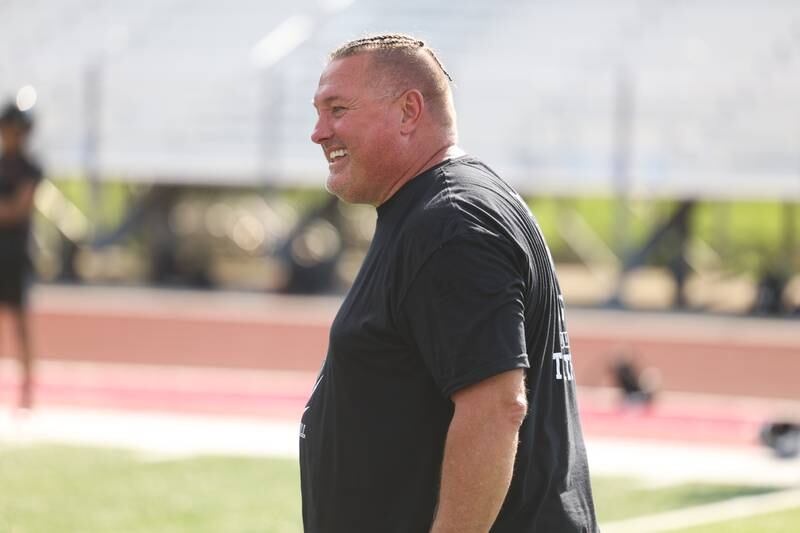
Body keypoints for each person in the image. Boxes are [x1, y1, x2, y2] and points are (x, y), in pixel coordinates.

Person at [301, 34, 598, 532]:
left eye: (337, 109)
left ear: (408, 111)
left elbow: (496, 409)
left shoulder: (452, 223)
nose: (318, 132)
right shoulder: (438, 211)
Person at [0, 101, 42, 409]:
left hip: (16, 252)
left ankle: (27, 391)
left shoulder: (30, 168)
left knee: (21, 322)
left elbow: (18, 209)